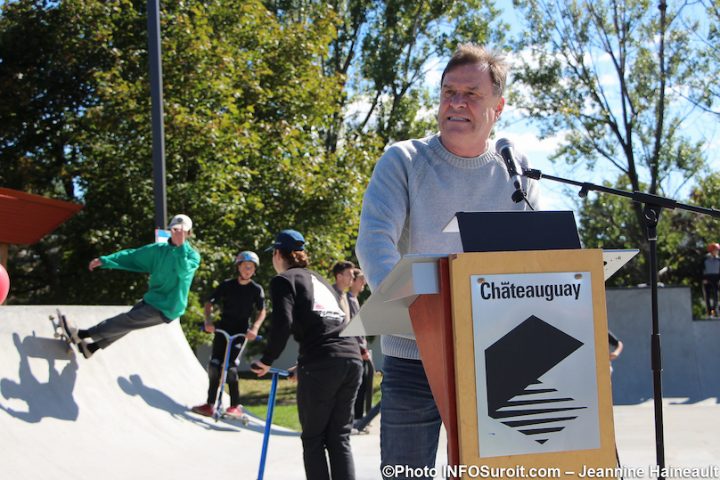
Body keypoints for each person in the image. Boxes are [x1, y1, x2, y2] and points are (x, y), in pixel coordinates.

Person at [356, 44, 541, 478]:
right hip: (414, 355)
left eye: (471, 94)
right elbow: (374, 245)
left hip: (496, 358)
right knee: (406, 474)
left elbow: (534, 260)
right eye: (448, 92)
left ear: (499, 105)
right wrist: (421, 316)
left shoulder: (516, 169)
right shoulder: (404, 160)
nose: (456, 103)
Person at [251, 229, 363, 480]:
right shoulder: (320, 280)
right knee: (339, 438)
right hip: (350, 359)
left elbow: (283, 322)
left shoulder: (283, 280)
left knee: (313, 440)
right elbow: (327, 326)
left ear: (278, 254)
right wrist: (303, 365)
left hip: (324, 363)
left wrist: (267, 360)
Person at [73, 214, 201, 359]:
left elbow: (183, 271)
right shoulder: (158, 250)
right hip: (152, 299)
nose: (177, 234)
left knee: (126, 320)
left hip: (168, 306)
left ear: (189, 234)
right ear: (170, 230)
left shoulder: (192, 256)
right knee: (127, 324)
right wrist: (105, 260)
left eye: (182, 232)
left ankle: (83, 334)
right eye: (175, 230)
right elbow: (132, 255)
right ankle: (91, 348)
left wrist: (181, 247)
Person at [191, 250, 267, 418]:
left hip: (240, 333)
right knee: (214, 365)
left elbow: (262, 311)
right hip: (222, 329)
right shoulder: (227, 285)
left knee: (230, 368)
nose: (248, 270)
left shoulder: (256, 289)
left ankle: (234, 406)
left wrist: (254, 328)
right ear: (238, 267)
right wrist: (208, 321)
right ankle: (210, 404)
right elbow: (209, 303)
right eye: (245, 266)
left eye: (252, 268)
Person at [347, 268, 374, 427]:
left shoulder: (355, 300)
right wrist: (361, 349)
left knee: (365, 384)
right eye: (360, 280)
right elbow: (352, 328)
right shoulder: (349, 300)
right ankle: (356, 418)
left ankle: (360, 417)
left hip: (361, 349)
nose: (363, 282)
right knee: (358, 385)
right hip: (357, 351)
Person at [702, 242, 720, 317]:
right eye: (715, 250)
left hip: (716, 278)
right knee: (708, 297)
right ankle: (709, 313)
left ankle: (714, 311)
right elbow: (701, 270)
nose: (717, 252)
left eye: (717, 250)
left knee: (716, 296)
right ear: (711, 250)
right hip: (707, 278)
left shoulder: (719, 259)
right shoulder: (705, 259)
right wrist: (703, 279)